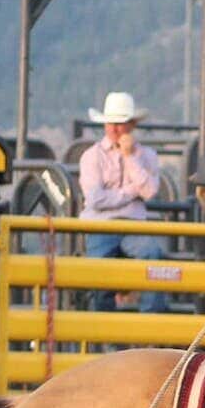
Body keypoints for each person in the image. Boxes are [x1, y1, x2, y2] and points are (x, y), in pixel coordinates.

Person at [78, 91, 168, 314]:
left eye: (121, 123)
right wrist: (130, 192)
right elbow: (95, 199)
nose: (115, 129)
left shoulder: (145, 155)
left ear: (132, 125)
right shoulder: (91, 155)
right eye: (111, 123)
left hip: (132, 226)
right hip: (101, 226)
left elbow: (149, 191)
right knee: (98, 276)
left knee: (153, 257)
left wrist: (129, 157)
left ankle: (151, 328)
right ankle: (102, 335)